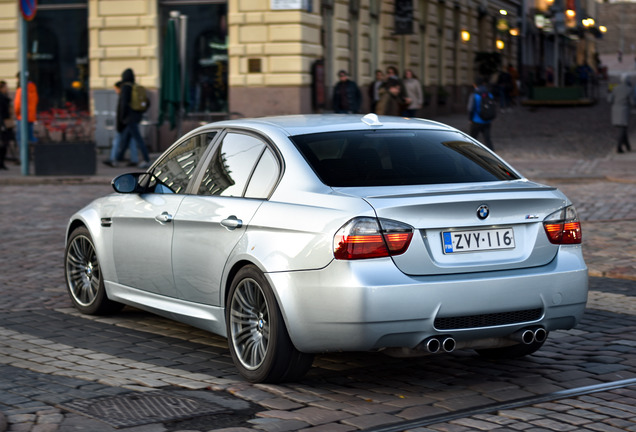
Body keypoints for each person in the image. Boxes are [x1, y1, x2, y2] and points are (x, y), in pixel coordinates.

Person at [116, 68, 151, 168]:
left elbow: (123, 104)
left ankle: (147, 159)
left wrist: (121, 119)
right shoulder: (135, 87)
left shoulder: (126, 88)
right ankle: (118, 158)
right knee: (126, 139)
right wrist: (140, 111)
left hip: (128, 118)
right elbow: (147, 102)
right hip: (136, 117)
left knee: (138, 139)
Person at [467, 76, 495, 150]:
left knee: (472, 139)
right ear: (483, 83)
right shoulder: (488, 93)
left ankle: (471, 152)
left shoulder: (474, 94)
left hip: (476, 120)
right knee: (487, 139)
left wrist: (470, 119)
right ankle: (492, 153)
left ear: (474, 84)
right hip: (487, 120)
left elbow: (470, 108)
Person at [608, 73, 634, 153]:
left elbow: (609, 100)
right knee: (622, 129)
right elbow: (632, 102)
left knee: (623, 129)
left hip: (615, 110)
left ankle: (627, 146)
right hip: (624, 110)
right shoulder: (629, 89)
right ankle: (619, 147)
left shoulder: (615, 88)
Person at [14, 71, 38, 149]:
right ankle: (30, 155)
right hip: (31, 117)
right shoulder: (33, 88)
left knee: (21, 138)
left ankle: (24, 158)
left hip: (22, 117)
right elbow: (36, 101)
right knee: (29, 137)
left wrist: (17, 114)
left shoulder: (21, 89)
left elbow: (17, 105)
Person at [103, 81, 124, 167]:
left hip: (124, 123)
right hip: (128, 122)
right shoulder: (127, 93)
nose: (115, 91)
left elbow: (121, 111)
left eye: (116, 89)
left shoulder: (123, 95)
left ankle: (113, 159)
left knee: (117, 140)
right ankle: (135, 159)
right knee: (132, 141)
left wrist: (119, 123)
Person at [0, 80, 14, 169]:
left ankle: (1, 163)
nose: (7, 89)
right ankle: (1, 163)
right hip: (3, 123)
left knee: (5, 143)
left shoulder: (5, 97)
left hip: (6, 122)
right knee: (3, 143)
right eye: (5, 87)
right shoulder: (1, 98)